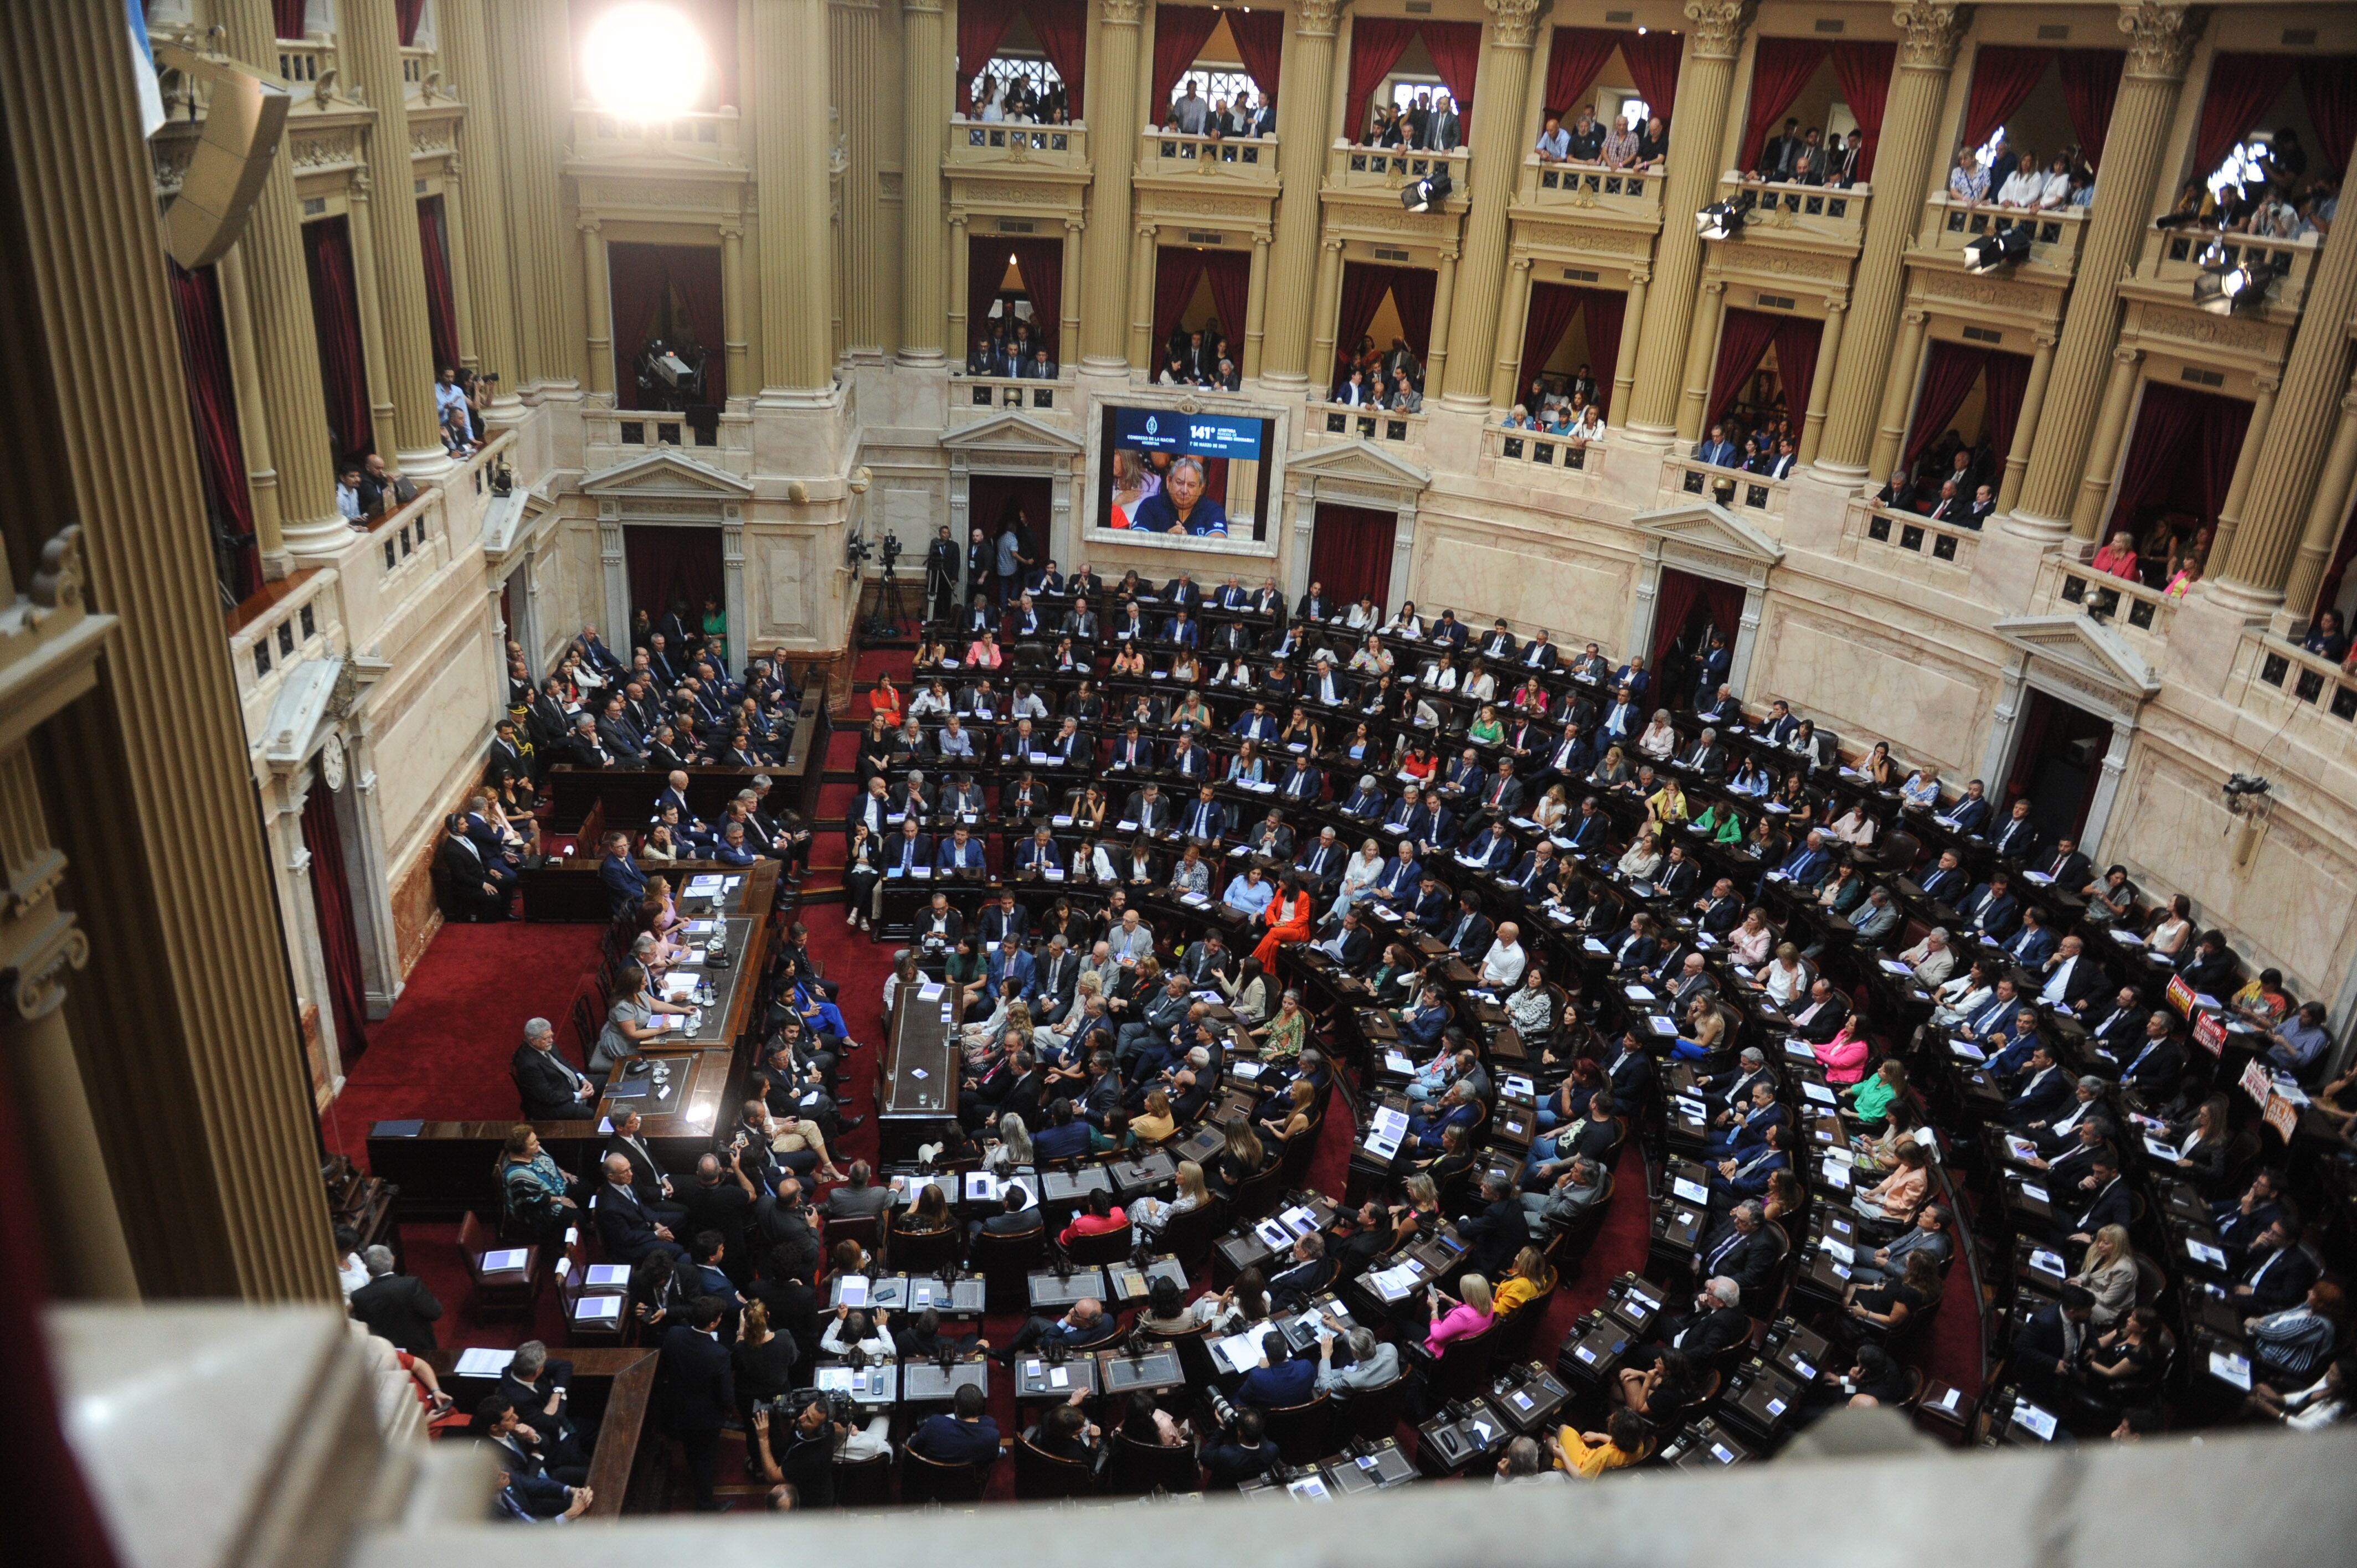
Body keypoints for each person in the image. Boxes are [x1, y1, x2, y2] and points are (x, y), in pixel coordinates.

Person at [658, 1295, 735, 1511]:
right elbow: (726, 1396)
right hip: (705, 1419)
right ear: (713, 1323)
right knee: (706, 1461)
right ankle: (706, 1504)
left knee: (692, 1452)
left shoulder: (674, 1334)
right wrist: (729, 1410)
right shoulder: (719, 1354)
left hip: (678, 1407)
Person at [348, 1246, 443, 1354]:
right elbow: (436, 1313)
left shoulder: (358, 1296)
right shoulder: (411, 1284)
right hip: (420, 1349)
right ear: (393, 1260)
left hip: (385, 1353)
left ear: (368, 1269)